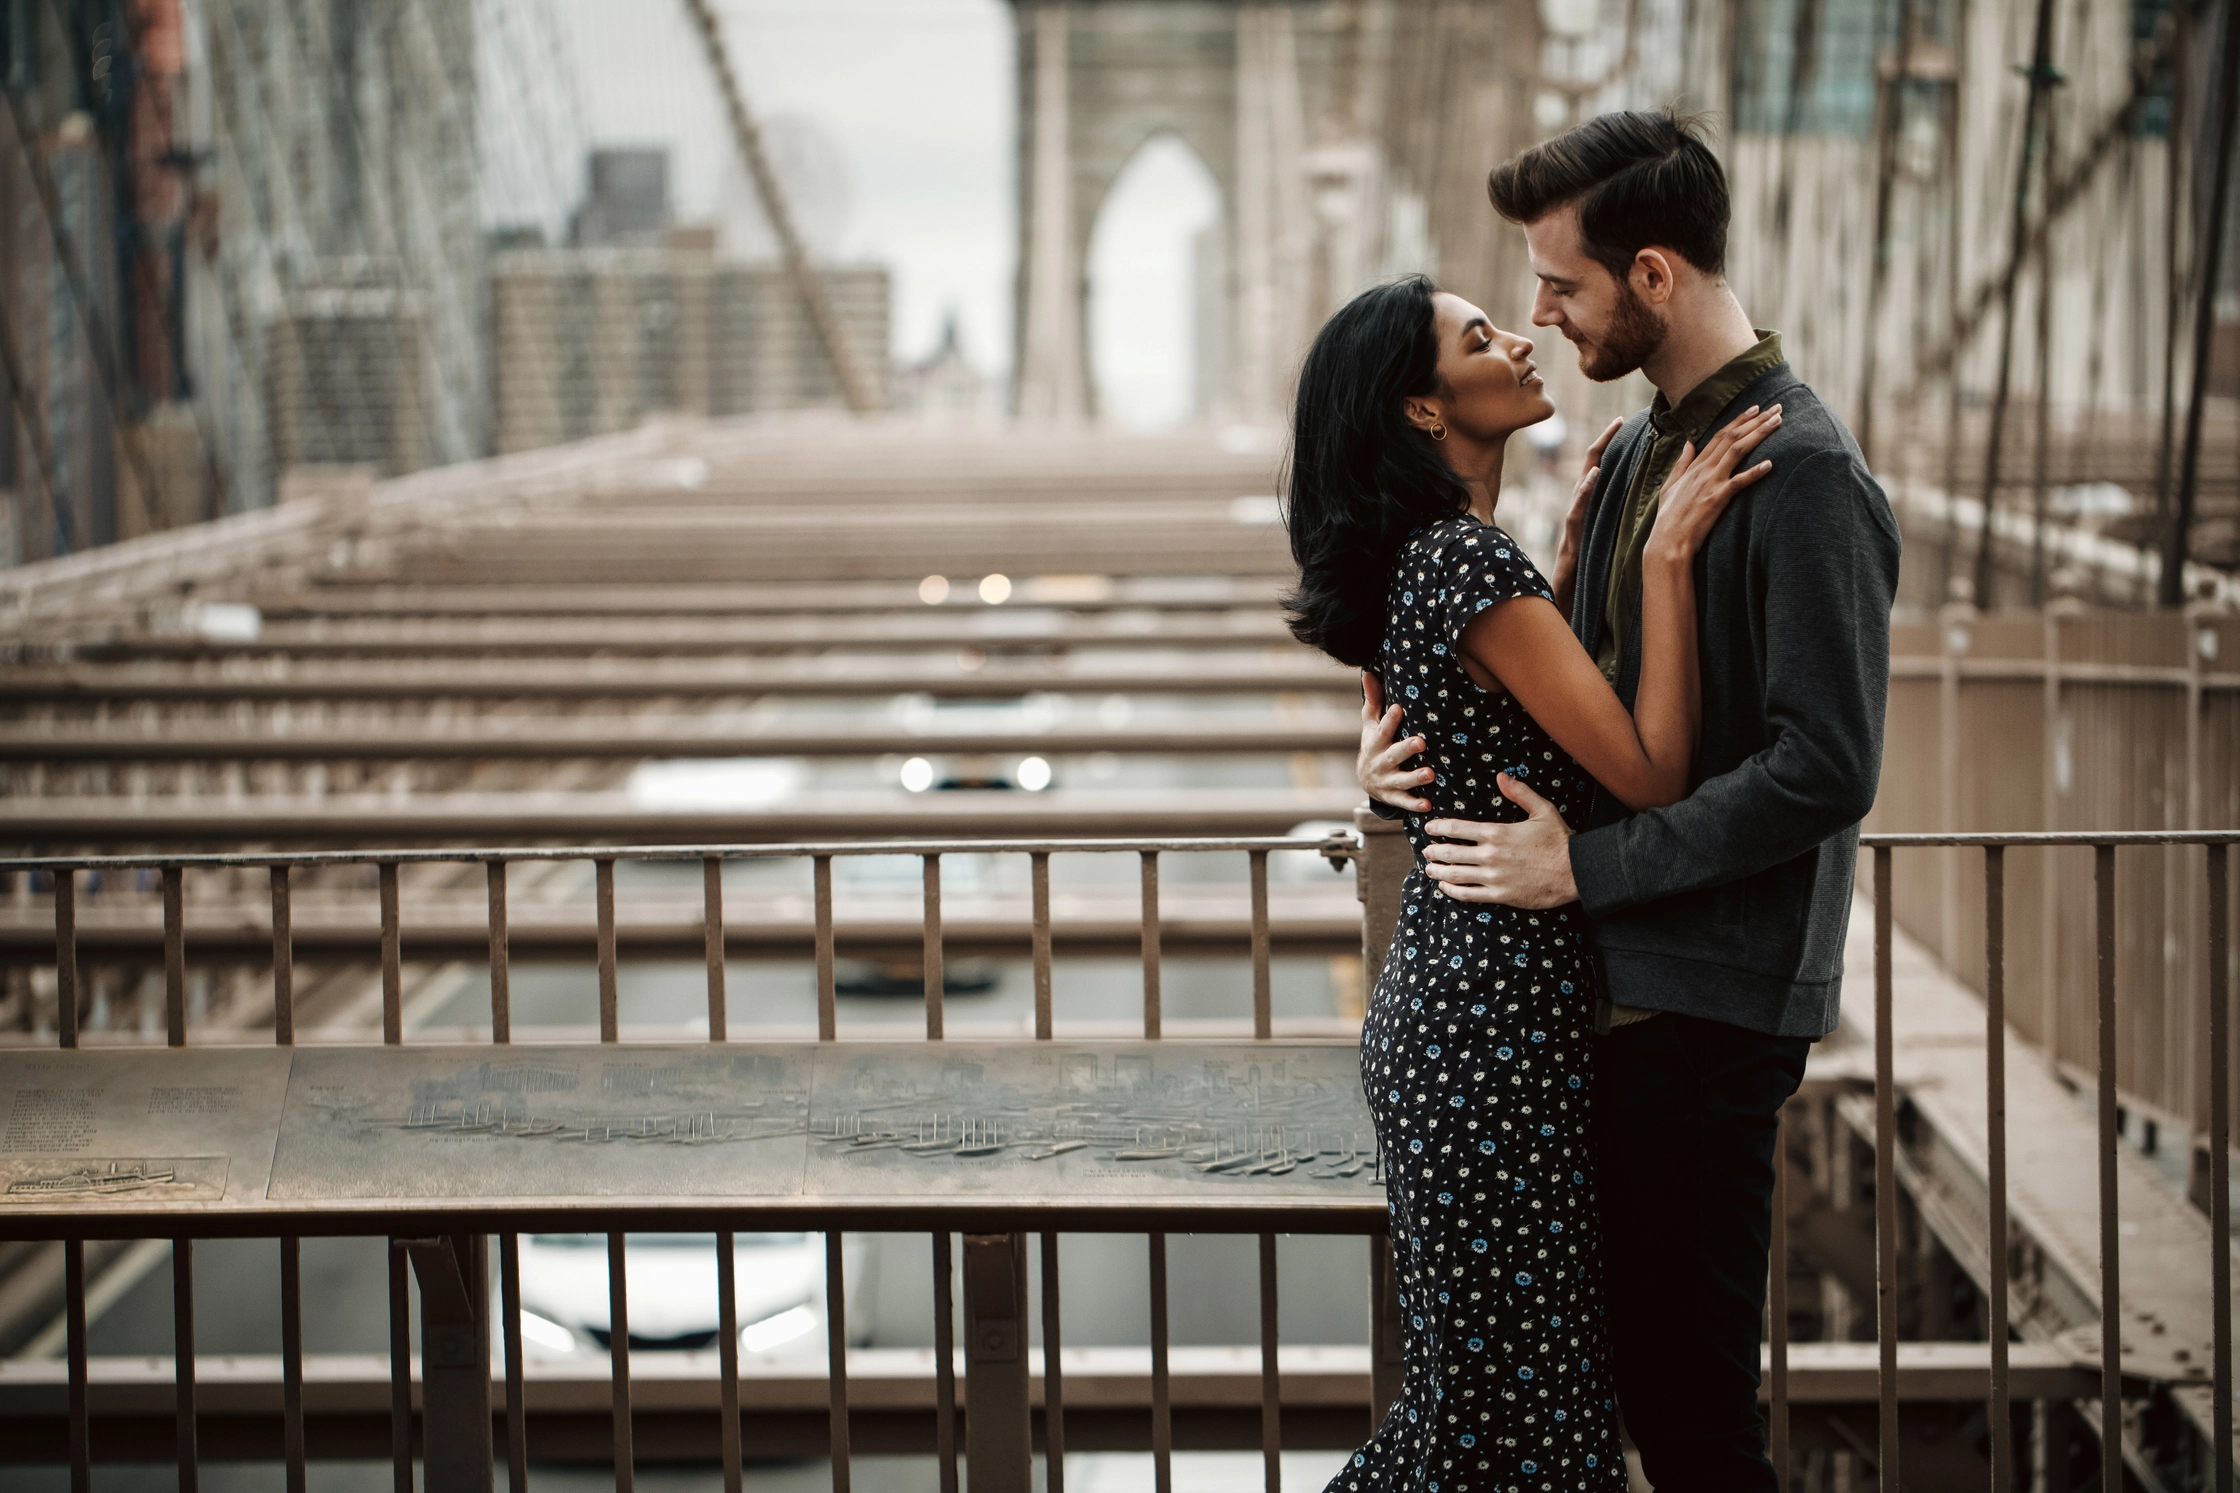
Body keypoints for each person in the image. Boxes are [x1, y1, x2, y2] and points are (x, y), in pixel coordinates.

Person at [1356, 111, 1901, 1491]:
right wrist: (1407, 764)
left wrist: (1581, 873)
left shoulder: (1806, 474)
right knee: (1604, 1406)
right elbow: (1581, 706)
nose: (1540, 314)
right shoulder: (1643, 451)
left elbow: (1825, 765)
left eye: (1562, 284)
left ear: (1652, 274)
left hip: (1704, 1007)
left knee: (1694, 1422)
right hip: (1611, 993)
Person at [1286, 271, 1783, 1493]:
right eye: (1478, 335)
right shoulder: (1465, 565)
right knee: (1523, 1420)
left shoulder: (1426, 560)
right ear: (1421, 407)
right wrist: (1662, 560)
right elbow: (1652, 773)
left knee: (1482, 1409)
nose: (1518, 336)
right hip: (1493, 1025)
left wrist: (1548, 586)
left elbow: (1459, 730)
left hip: (1451, 1009)